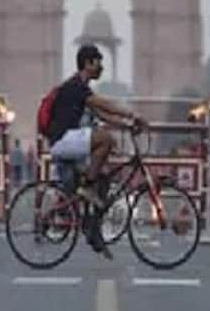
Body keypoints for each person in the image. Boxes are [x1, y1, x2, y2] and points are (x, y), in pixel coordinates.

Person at [43, 44, 147, 257]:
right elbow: (104, 104)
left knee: (105, 179)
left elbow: (102, 114)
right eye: (98, 62)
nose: (102, 67)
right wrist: (132, 114)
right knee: (106, 139)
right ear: (87, 63)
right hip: (62, 140)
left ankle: (93, 229)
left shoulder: (82, 88)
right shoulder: (76, 86)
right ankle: (87, 187)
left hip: (68, 139)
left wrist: (127, 126)